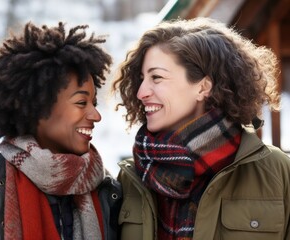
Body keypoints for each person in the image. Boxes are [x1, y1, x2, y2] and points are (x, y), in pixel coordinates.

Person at [111, 17, 290, 240]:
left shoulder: (278, 173)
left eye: (156, 77)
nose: (141, 92)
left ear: (203, 87)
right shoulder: (130, 178)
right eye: (142, 79)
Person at [0, 21, 122, 240]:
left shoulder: (107, 191)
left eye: (94, 103)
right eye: (81, 103)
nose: (96, 115)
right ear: (39, 107)